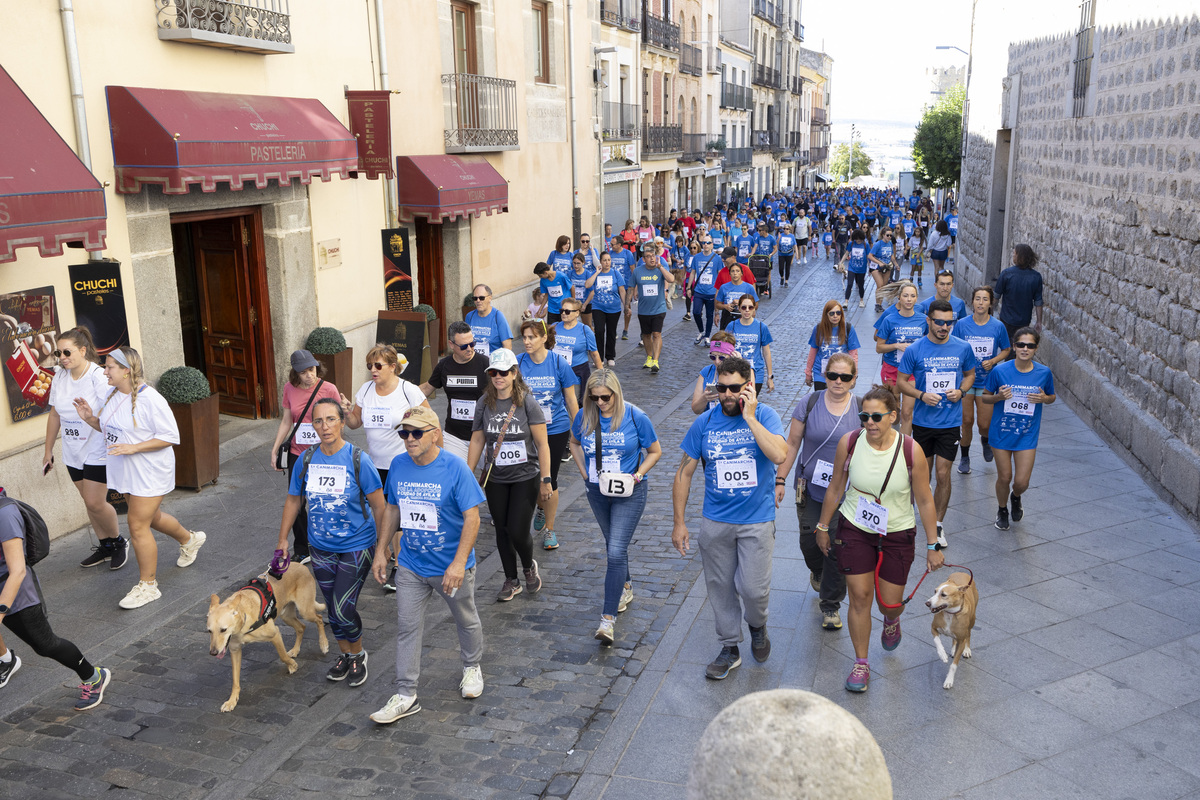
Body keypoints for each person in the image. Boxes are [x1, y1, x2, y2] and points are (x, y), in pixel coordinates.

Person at [813, 386, 943, 693]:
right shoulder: (850, 442)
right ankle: (861, 662)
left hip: (897, 533)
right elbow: (836, 487)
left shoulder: (911, 450)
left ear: (893, 416)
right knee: (859, 597)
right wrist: (822, 526)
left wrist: (933, 544)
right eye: (864, 416)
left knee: (890, 604)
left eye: (876, 417)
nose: (869, 423)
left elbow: (924, 499)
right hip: (855, 528)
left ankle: (891, 620)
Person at [369, 407, 487, 724]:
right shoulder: (398, 465)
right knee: (407, 627)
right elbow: (392, 509)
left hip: (450, 566)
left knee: (465, 618)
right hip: (411, 564)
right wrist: (381, 551)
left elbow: (472, 517)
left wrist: (459, 563)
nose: (409, 439)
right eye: (404, 433)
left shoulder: (455, 468)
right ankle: (406, 693)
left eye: (416, 432)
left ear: (435, 433)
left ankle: (472, 666)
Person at [672, 357, 787, 680]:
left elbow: (779, 455)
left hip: (756, 520)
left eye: (734, 388)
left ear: (748, 386)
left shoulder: (765, 416)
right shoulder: (705, 423)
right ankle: (729, 647)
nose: (726, 394)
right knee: (720, 587)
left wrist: (750, 417)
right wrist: (679, 522)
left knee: (753, 590)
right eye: (721, 388)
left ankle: (757, 623)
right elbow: (684, 472)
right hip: (716, 520)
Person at [73, 347, 206, 609]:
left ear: (126, 370)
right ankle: (189, 539)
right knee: (151, 518)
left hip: (149, 471)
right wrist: (90, 419)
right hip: (126, 470)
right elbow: (110, 428)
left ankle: (148, 586)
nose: (104, 370)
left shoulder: (151, 399)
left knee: (136, 525)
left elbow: (170, 436)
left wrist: (134, 447)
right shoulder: (114, 395)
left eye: (110, 366)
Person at [278, 398, 384, 687]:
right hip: (321, 547)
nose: (325, 426)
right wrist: (283, 540)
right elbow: (293, 500)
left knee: (340, 608)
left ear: (342, 421)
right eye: (319, 421)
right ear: (313, 425)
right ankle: (346, 655)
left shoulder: (358, 459)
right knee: (333, 607)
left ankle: (358, 653)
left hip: (357, 545)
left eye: (331, 419)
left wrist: (382, 550)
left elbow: (380, 507)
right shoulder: (307, 459)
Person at [568, 371, 662, 645]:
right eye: (594, 397)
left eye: (605, 397)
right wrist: (583, 472)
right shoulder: (584, 416)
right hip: (597, 491)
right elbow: (574, 442)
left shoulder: (635, 417)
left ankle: (607, 620)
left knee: (616, 550)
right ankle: (626, 585)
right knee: (613, 544)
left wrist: (638, 475)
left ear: (616, 393)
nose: (600, 402)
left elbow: (655, 451)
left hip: (629, 492)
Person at [0, 489, 112, 709]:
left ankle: (93, 676)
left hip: (15, 593)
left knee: (45, 645)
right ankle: (5, 660)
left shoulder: (4, 513)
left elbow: (18, 571)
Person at [775, 353, 860, 631]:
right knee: (809, 541)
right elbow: (793, 442)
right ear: (825, 375)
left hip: (845, 493)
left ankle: (831, 605)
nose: (838, 381)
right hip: (810, 487)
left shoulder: (860, 408)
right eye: (833, 375)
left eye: (845, 377)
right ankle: (817, 569)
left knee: (836, 546)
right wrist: (780, 479)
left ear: (853, 379)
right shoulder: (809, 403)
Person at [467, 349, 551, 601]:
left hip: (526, 475)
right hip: (496, 477)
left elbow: (542, 443)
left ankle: (528, 566)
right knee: (501, 530)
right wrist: (467, 473)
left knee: (517, 528)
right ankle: (510, 579)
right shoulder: (484, 402)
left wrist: (546, 479)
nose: (498, 377)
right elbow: (478, 438)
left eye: (504, 372)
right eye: (493, 372)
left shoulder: (527, 402)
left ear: (514, 373)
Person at [43, 327, 126, 569]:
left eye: (67, 351)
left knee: (95, 502)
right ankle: (105, 546)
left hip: (97, 447)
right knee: (87, 500)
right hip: (72, 450)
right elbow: (55, 414)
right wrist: (48, 451)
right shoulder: (60, 376)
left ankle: (119, 542)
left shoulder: (98, 376)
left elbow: (113, 410)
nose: (62, 357)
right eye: (59, 352)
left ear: (83, 350)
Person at [897, 299, 978, 546]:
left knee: (943, 474)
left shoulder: (963, 348)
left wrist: (962, 392)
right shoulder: (915, 350)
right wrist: (921, 395)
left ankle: (938, 524)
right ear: (929, 321)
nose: (944, 327)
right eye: (939, 322)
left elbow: (970, 375)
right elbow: (901, 381)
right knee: (923, 475)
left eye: (949, 322)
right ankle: (910, 516)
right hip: (923, 423)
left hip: (949, 423)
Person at [270, 349, 342, 560]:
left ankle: (332, 543)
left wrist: (338, 450)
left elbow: (339, 422)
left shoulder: (329, 388)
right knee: (297, 501)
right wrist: (275, 449)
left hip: (324, 452)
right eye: (304, 372)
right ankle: (302, 548)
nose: (309, 375)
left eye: (312, 370)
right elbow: (286, 420)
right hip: (297, 452)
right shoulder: (289, 389)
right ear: (296, 373)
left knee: (327, 498)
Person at [983, 328, 1056, 530]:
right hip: (1002, 433)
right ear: (1014, 347)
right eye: (1021, 345)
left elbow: (1051, 397)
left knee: (1022, 482)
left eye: (1030, 345)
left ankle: (1016, 497)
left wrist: (1044, 399)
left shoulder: (1044, 373)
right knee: (1004, 477)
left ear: (1036, 348)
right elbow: (985, 396)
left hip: (1027, 434)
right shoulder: (1000, 371)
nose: (1025, 349)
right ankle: (1002, 509)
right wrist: (998, 397)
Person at [517, 320, 580, 550]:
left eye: (531, 337)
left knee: (548, 478)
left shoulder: (557, 362)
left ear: (544, 338)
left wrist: (579, 427)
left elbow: (571, 398)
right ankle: (541, 507)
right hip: (527, 430)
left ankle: (550, 530)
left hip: (555, 428)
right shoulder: (519, 363)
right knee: (532, 478)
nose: (526, 342)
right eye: (524, 337)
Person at [343, 345, 430, 488]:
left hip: (403, 464)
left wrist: (435, 459)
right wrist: (347, 413)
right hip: (374, 465)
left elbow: (431, 422)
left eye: (378, 365)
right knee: (379, 508)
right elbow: (355, 423)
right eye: (369, 366)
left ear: (392, 366)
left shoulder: (408, 390)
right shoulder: (365, 389)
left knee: (399, 507)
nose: (372, 370)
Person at [953, 286, 1011, 474]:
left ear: (991, 303)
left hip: (987, 381)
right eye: (977, 299)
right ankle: (965, 456)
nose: (980, 303)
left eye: (985, 299)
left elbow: (1006, 349)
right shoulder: (962, 325)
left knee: (984, 424)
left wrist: (993, 361)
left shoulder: (997, 326)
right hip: (967, 379)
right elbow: (953, 346)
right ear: (972, 301)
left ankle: (985, 441)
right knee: (967, 420)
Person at [419, 321, 490, 462]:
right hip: (455, 436)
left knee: (490, 480)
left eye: (472, 343)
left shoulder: (485, 364)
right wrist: (399, 391)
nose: (469, 348)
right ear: (451, 345)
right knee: (456, 477)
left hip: (483, 434)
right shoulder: (444, 365)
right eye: (464, 346)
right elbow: (427, 388)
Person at [874, 281, 927, 428]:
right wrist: (897, 345)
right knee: (894, 412)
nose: (909, 299)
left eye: (912, 296)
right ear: (899, 298)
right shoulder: (889, 319)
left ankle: (905, 447)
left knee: (907, 413)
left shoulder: (923, 320)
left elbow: (929, 344)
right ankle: (893, 443)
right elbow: (879, 347)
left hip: (912, 371)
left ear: (916, 299)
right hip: (892, 369)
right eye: (905, 296)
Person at [631, 240, 674, 374]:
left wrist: (660, 267)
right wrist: (632, 295)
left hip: (659, 307)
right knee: (646, 334)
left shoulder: (661, 267)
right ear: (644, 259)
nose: (651, 258)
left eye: (653, 256)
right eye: (648, 256)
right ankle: (649, 356)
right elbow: (633, 284)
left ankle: (655, 360)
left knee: (657, 334)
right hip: (644, 308)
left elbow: (671, 279)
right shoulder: (638, 270)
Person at [993, 244, 1045, 344]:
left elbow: (996, 296)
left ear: (1019, 256)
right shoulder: (1036, 277)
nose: (1013, 255)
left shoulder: (1006, 274)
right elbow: (1038, 302)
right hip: (1024, 320)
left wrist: (990, 313)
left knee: (1007, 346)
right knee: (1020, 344)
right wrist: (1039, 321)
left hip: (1007, 318)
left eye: (1014, 253)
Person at [553, 298, 602, 400]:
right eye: (562, 311)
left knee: (572, 403)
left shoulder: (585, 330)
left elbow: (594, 354)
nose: (563, 314)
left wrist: (602, 376)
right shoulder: (554, 327)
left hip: (576, 372)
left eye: (567, 311)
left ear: (577, 313)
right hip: (556, 372)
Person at [806, 300, 860, 391]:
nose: (835, 316)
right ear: (826, 315)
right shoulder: (818, 329)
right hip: (821, 373)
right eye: (832, 313)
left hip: (841, 373)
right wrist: (808, 372)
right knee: (821, 401)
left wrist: (854, 375)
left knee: (839, 401)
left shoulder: (848, 328)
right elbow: (813, 351)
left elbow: (853, 354)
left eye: (838, 313)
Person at [725, 295, 774, 394]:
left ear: (754, 308)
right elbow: (726, 350)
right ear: (739, 308)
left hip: (756, 373)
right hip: (736, 372)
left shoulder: (762, 327)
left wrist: (770, 377)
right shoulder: (732, 326)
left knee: (749, 403)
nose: (747, 310)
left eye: (750, 307)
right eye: (743, 307)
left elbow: (766, 352)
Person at [586, 251, 626, 366]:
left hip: (614, 308)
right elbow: (587, 285)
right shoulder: (595, 273)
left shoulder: (615, 273)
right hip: (598, 307)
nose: (607, 263)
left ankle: (610, 356)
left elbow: (622, 290)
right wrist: (596, 273)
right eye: (604, 260)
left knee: (611, 332)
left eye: (609, 260)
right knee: (599, 331)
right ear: (600, 261)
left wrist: (626, 306)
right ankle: (599, 358)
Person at [689, 333, 739, 414]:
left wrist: (739, 367)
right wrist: (704, 399)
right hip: (712, 422)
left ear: (731, 355)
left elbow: (749, 404)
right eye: (713, 357)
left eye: (721, 357)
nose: (717, 361)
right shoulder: (706, 372)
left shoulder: (741, 371)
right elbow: (696, 409)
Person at [688, 233, 722, 345]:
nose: (706, 245)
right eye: (704, 242)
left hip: (711, 292)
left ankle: (707, 336)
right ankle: (701, 331)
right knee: (696, 312)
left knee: (709, 315)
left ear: (712, 245)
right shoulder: (697, 257)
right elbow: (693, 272)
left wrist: (720, 291)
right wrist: (689, 287)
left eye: (708, 243)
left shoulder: (717, 259)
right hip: (699, 290)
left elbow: (719, 275)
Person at [465, 284, 513, 356]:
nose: (478, 301)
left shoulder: (498, 316)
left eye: (481, 298)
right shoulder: (469, 316)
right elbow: (465, 341)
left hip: (493, 362)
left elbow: (508, 347)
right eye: (475, 298)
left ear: (490, 298)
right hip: (474, 361)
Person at [714, 262, 759, 331]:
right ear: (729, 274)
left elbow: (756, 305)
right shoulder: (723, 287)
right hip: (727, 317)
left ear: (741, 274)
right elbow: (717, 304)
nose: (735, 273)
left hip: (743, 317)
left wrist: (742, 303)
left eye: (737, 271)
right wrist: (725, 306)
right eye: (732, 271)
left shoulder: (749, 287)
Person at [534, 261, 575, 325]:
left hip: (564, 308)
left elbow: (572, 287)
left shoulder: (561, 276)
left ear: (545, 272)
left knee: (565, 328)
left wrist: (573, 303)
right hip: (552, 309)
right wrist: (540, 309)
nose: (540, 277)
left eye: (540, 275)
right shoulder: (543, 281)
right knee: (551, 330)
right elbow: (546, 295)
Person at [867, 228, 898, 313]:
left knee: (883, 287)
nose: (889, 237)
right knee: (880, 285)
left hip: (886, 267)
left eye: (890, 235)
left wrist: (896, 264)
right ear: (883, 235)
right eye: (887, 235)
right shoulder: (878, 244)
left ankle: (880, 304)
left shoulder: (890, 244)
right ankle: (877, 304)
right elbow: (870, 256)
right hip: (876, 267)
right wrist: (879, 263)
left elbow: (891, 255)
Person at [839, 230, 869, 308]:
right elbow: (846, 254)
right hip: (852, 267)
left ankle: (861, 300)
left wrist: (871, 268)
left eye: (860, 239)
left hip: (862, 269)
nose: (858, 240)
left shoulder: (866, 245)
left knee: (860, 285)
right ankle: (846, 301)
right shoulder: (851, 244)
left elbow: (868, 257)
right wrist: (841, 262)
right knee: (849, 284)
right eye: (856, 239)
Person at [567, 252, 596, 328]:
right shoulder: (570, 273)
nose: (576, 265)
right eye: (574, 263)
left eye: (578, 263)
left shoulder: (587, 274)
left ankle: (592, 339)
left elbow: (592, 292)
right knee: (573, 325)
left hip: (585, 303)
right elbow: (568, 289)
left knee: (588, 326)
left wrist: (585, 305)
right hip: (574, 303)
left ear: (583, 263)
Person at [776, 223, 797, 287]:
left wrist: (797, 253)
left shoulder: (792, 236)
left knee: (787, 267)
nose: (785, 230)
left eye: (787, 229)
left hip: (789, 253)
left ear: (789, 230)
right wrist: (779, 238)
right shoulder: (781, 235)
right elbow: (777, 244)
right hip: (781, 253)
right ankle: (782, 277)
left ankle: (786, 281)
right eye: (784, 228)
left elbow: (795, 245)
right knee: (781, 268)